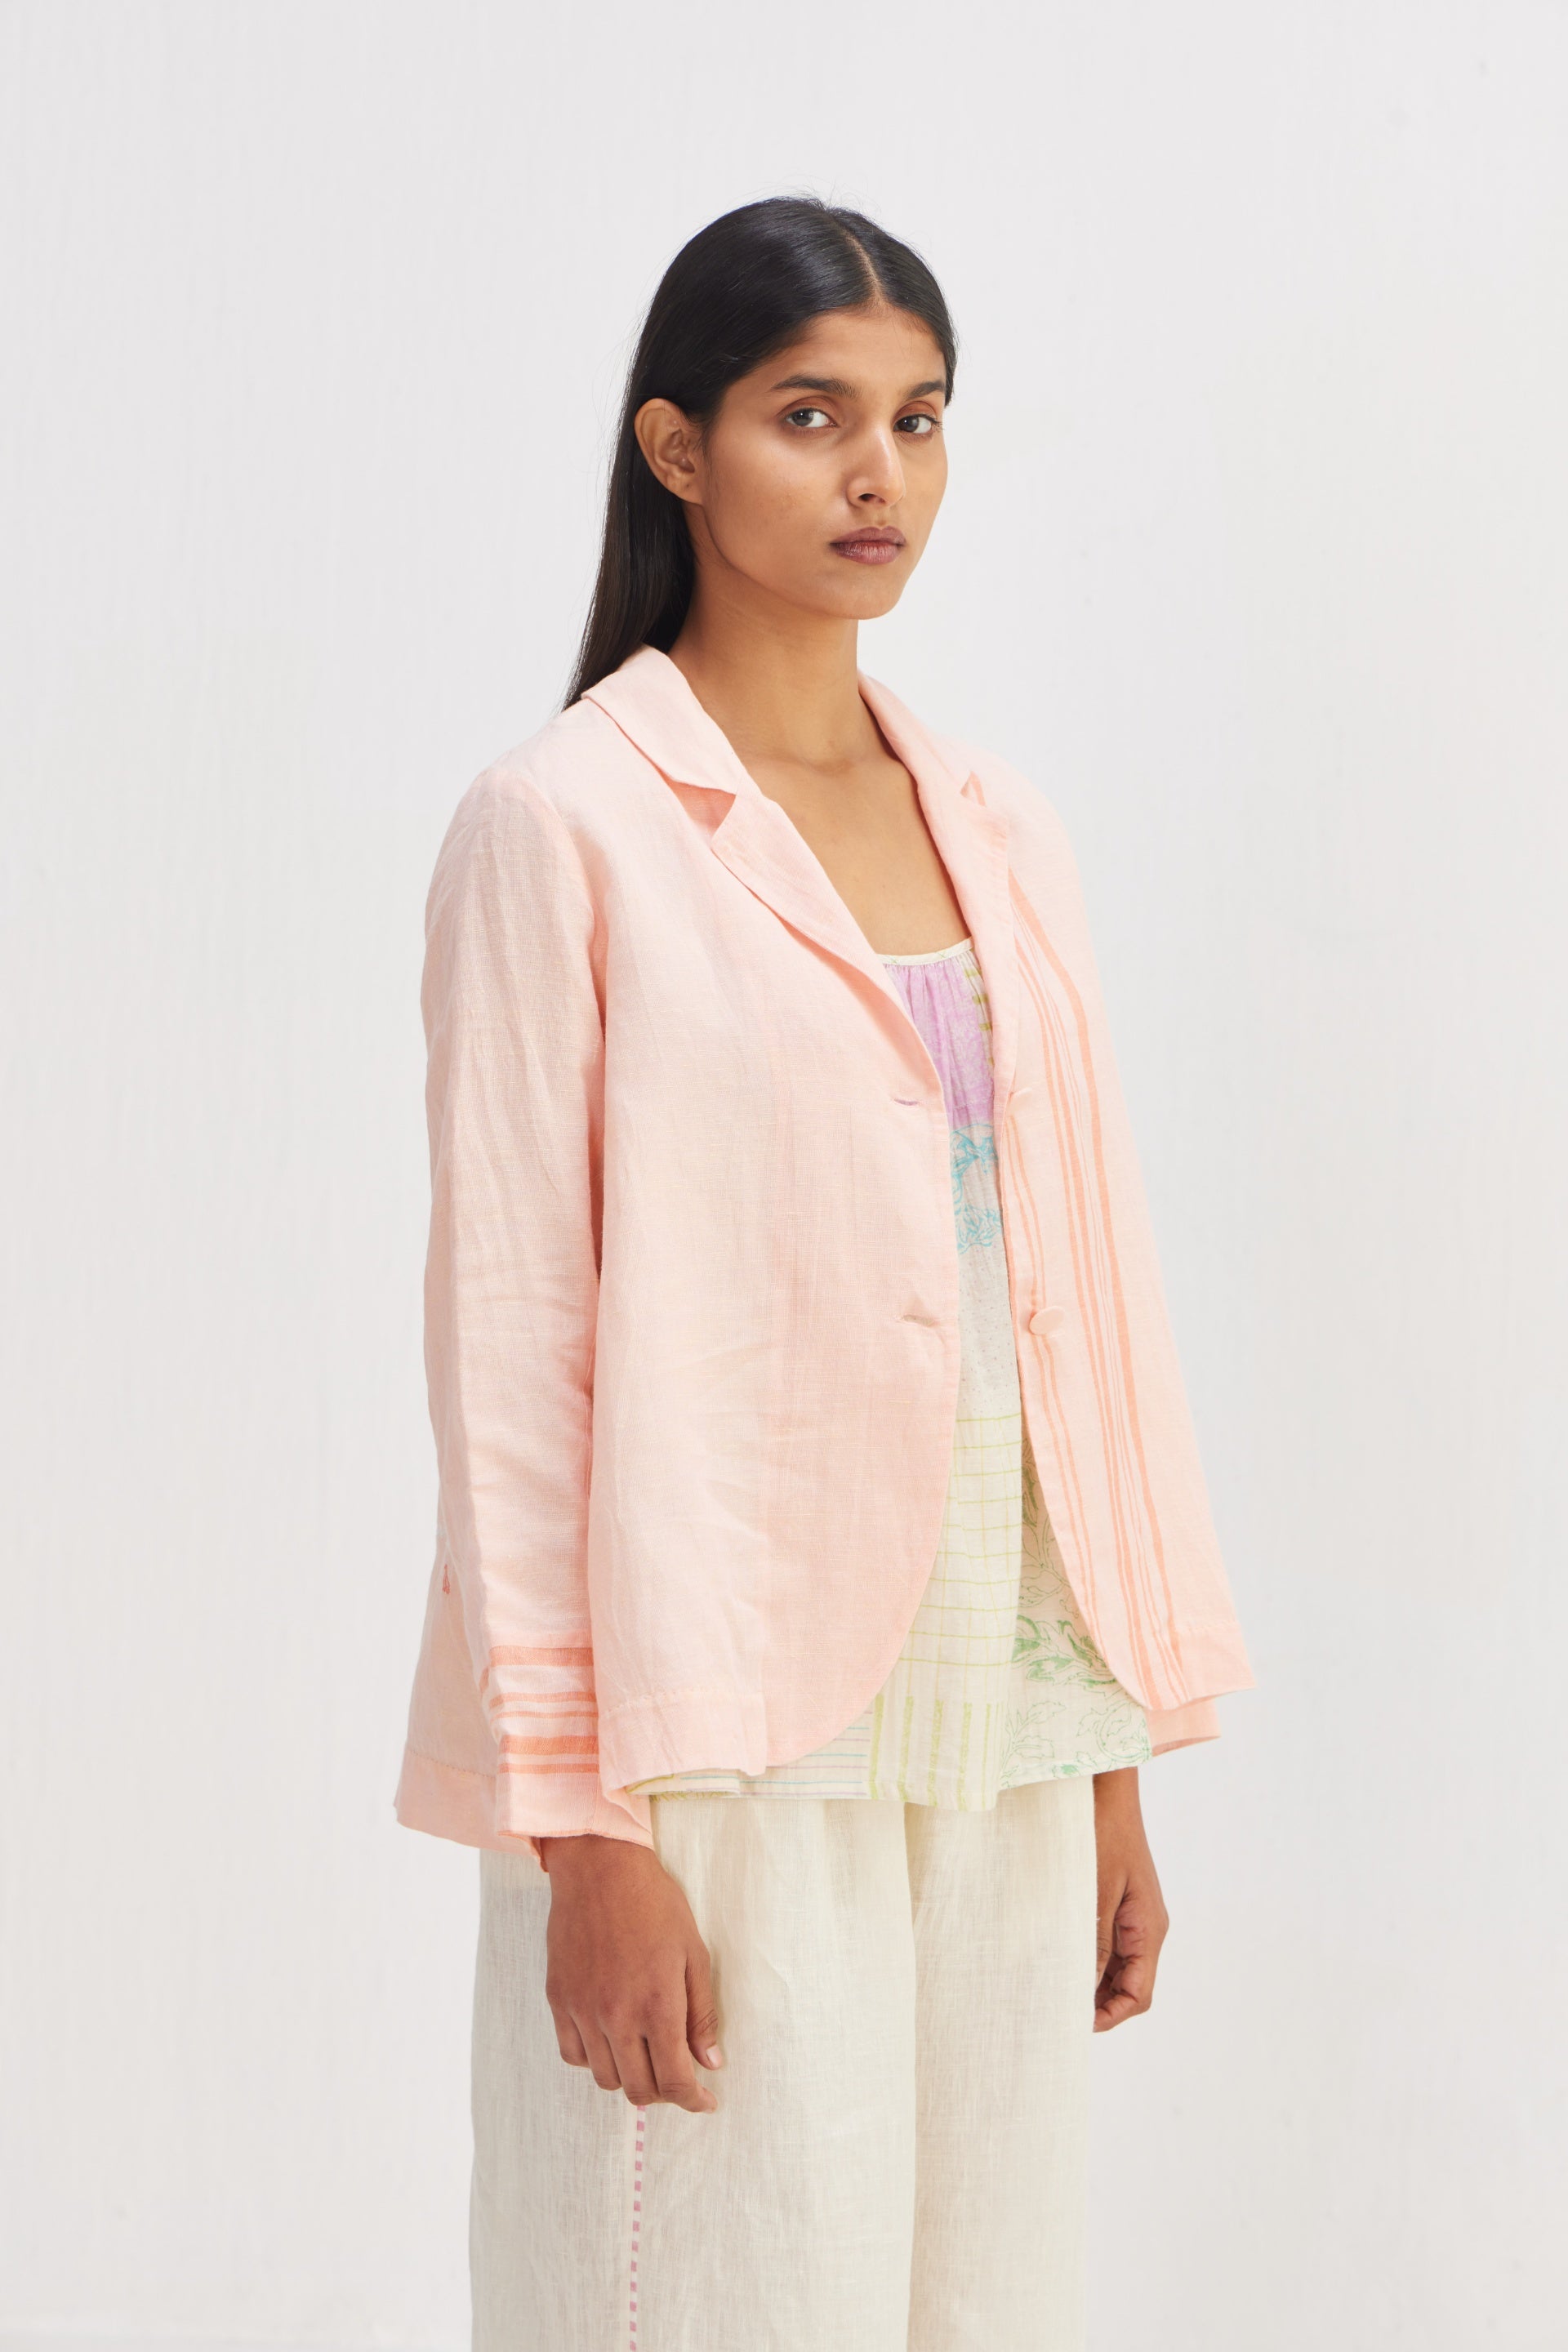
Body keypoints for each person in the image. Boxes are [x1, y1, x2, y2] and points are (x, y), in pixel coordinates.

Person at [394, 194, 1256, 2352]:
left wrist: (1109, 1754)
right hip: (718, 1738)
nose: (882, 474)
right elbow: (514, 1358)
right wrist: (581, 1835)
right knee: (710, 2297)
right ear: (677, 448)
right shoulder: (563, 825)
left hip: (1002, 1721)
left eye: (919, 418)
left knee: (987, 2310)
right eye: (812, 416)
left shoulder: (1001, 827)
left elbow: (1074, 1309)